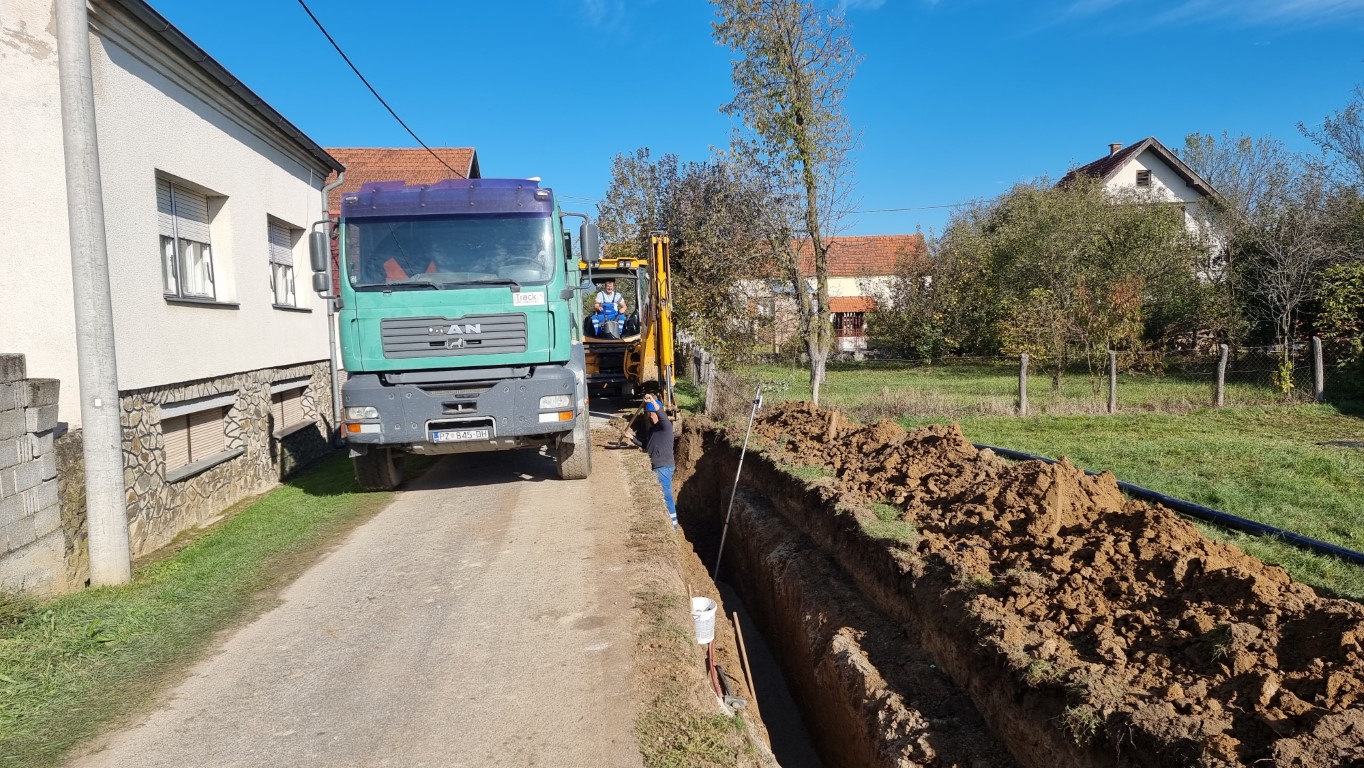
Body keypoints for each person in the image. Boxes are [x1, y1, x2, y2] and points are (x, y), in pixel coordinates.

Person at [625, 394, 677, 529]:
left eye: (651, 414)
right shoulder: (653, 430)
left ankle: (673, 526)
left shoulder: (665, 426)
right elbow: (647, 444)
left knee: (665, 495)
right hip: (656, 466)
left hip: (664, 467)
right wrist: (632, 437)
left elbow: (662, 413)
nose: (649, 417)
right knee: (660, 496)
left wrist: (652, 401)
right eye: (648, 414)